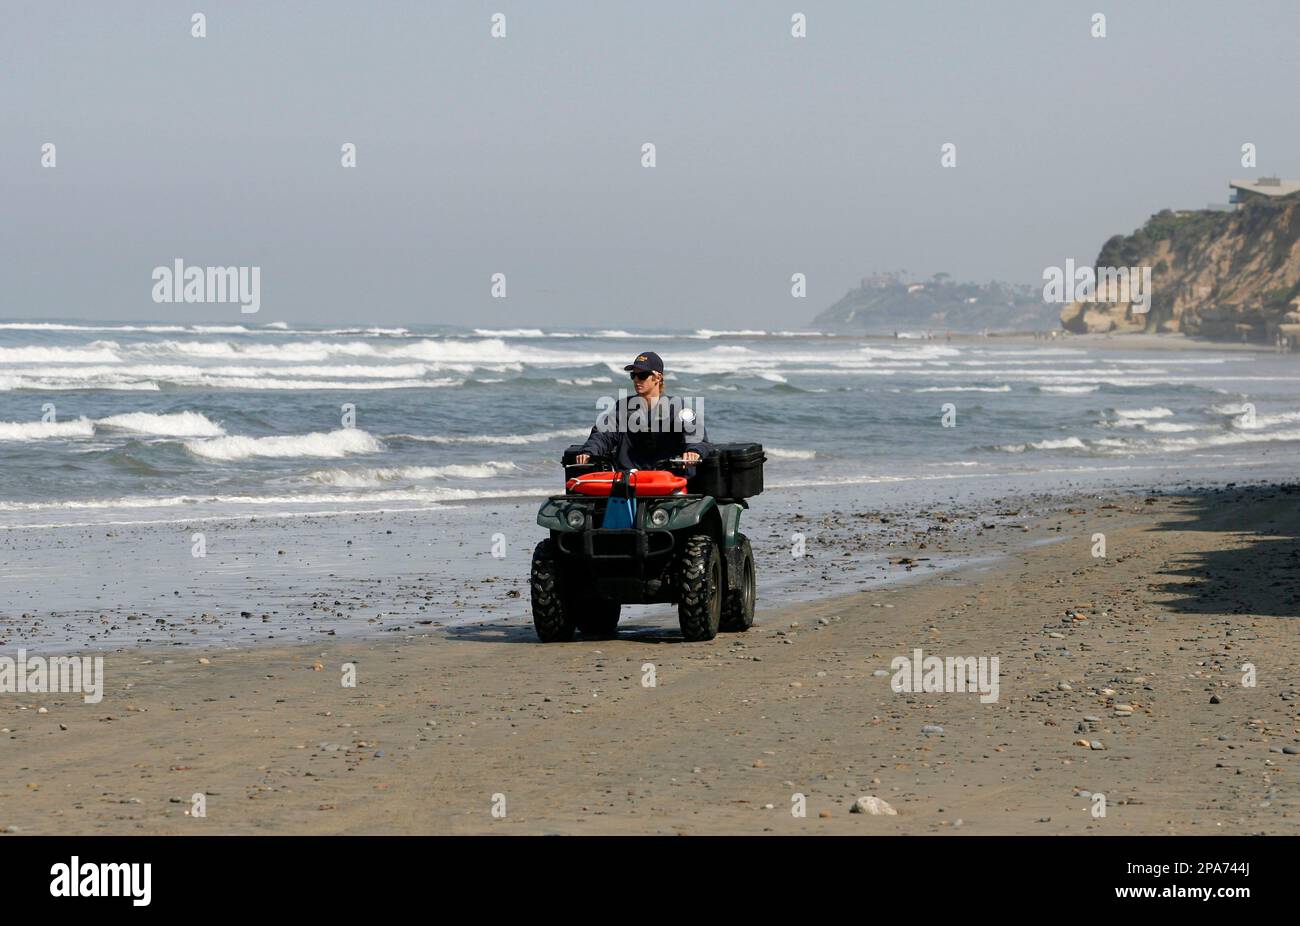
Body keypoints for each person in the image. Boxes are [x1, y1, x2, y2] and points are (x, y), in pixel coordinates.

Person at [575, 351, 712, 469]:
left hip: (668, 480)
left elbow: (696, 435)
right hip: (630, 481)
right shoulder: (622, 407)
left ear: (658, 378)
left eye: (642, 375)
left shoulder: (678, 407)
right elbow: (603, 433)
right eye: (633, 375)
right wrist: (589, 451)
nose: (636, 380)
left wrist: (694, 451)